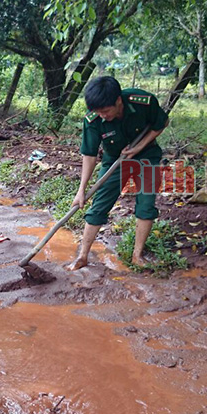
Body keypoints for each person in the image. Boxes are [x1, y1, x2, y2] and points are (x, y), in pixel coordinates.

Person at [67, 76, 168, 270]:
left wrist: (138, 147)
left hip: (146, 156)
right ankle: (83, 256)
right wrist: (81, 190)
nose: (102, 115)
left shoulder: (143, 102)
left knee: (146, 205)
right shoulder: (93, 119)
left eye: (106, 111)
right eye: (98, 111)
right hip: (114, 160)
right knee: (99, 206)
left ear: (118, 101)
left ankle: (137, 255)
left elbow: (161, 123)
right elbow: (89, 155)